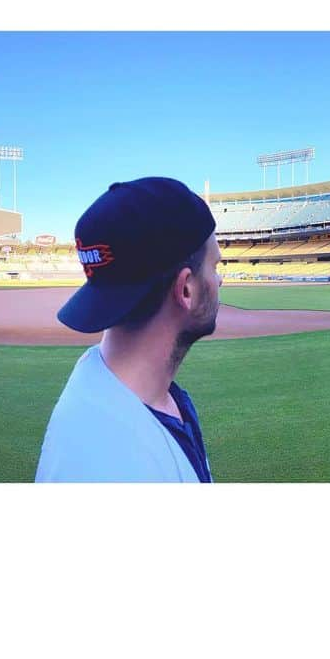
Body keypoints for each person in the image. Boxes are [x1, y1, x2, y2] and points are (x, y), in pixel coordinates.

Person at [35, 177, 224, 482]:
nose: (219, 281)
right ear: (186, 288)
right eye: (215, 267)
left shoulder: (138, 395)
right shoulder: (109, 466)